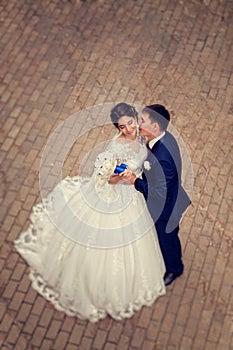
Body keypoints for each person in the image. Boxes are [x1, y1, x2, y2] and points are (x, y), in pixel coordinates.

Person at [14, 102, 166, 322]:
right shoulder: (115, 147)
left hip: (132, 195)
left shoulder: (144, 138)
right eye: (122, 127)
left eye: (131, 123)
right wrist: (120, 178)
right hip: (117, 192)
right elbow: (107, 178)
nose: (128, 129)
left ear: (135, 118)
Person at [122, 104, 191, 286]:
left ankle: (175, 269)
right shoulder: (161, 139)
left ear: (155, 126)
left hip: (166, 211)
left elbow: (159, 193)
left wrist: (135, 180)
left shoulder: (163, 158)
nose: (138, 124)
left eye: (142, 121)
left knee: (167, 239)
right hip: (165, 200)